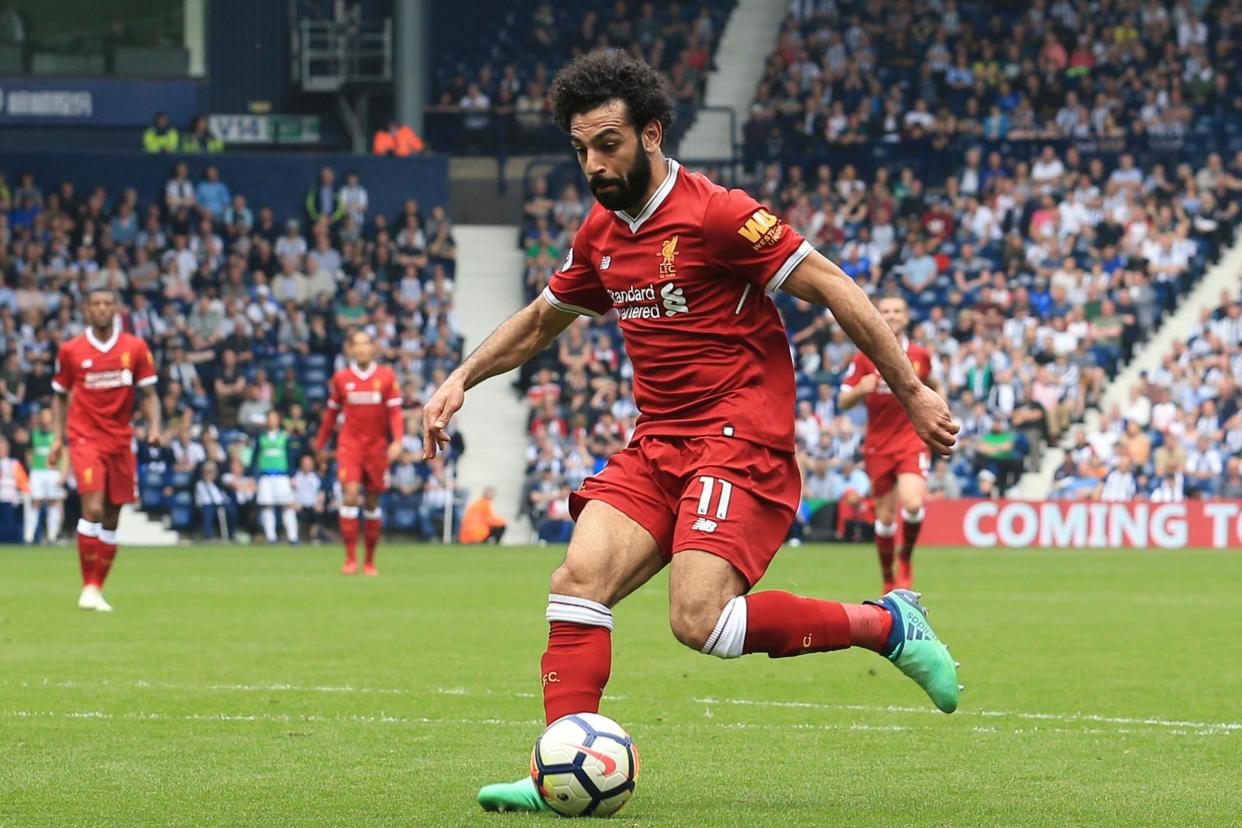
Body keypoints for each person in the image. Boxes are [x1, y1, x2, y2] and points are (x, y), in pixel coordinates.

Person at [418, 50, 961, 814]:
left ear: (652, 133)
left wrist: (910, 390)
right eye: (580, 150)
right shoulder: (600, 234)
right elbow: (543, 320)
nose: (593, 164)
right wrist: (460, 379)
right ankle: (557, 771)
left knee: (699, 621)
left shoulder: (718, 214)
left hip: (741, 438)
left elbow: (832, 284)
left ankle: (885, 624)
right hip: (660, 442)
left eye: (607, 143)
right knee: (577, 583)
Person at [50, 288, 160, 611]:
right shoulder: (71, 350)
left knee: (112, 515)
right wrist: (58, 438)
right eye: (95, 304)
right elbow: (59, 394)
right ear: (86, 309)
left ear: (116, 309)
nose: (101, 308)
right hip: (85, 437)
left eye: (107, 303)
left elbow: (150, 393)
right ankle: (87, 586)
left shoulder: (135, 347)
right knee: (94, 509)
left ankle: (97, 586)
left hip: (120, 440)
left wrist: (154, 428)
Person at [838, 295, 939, 593]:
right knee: (883, 517)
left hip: (911, 439)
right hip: (878, 444)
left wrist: (939, 411)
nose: (892, 315)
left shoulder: (921, 355)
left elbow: (934, 386)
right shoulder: (863, 356)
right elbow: (843, 400)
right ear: (877, 315)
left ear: (906, 317)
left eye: (897, 310)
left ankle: (905, 559)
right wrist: (860, 389)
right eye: (886, 311)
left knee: (913, 503)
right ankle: (887, 577)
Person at [315, 330, 404, 575]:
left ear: (373, 348)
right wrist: (320, 444)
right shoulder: (342, 379)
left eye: (366, 344)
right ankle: (350, 559)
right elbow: (331, 414)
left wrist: (398, 440)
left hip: (376, 449)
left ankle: (370, 561)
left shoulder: (386, 376)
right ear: (351, 349)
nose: (362, 348)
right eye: (358, 344)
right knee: (351, 495)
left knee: (372, 502)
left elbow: (395, 412)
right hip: (350, 447)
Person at [253, 410, 299, 544]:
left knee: (287, 506)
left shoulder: (285, 437)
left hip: (282, 476)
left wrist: (292, 475)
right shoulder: (260, 437)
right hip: (265, 476)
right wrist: (254, 477)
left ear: (278, 420)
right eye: (270, 418)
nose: (272, 420)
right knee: (267, 506)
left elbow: (291, 457)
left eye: (274, 418)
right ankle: (271, 537)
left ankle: (293, 537)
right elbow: (255, 457)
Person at [24, 408, 67, 544]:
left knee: (53, 502)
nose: (44, 418)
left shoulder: (57, 436)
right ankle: (29, 536)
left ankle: (52, 535)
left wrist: (63, 473)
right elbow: (29, 452)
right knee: (35, 501)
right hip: (37, 472)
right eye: (42, 415)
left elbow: (66, 454)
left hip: (53, 472)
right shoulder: (34, 433)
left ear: (52, 418)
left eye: (47, 415)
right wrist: (32, 467)